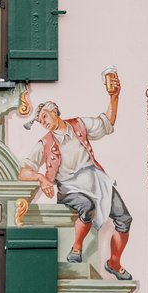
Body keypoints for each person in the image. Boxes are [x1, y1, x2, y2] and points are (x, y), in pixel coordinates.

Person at [18, 73, 132, 279]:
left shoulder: (79, 125)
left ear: (54, 112)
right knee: (87, 207)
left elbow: (107, 123)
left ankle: (114, 263)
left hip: (96, 180)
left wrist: (114, 97)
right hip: (69, 188)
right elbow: (24, 170)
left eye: (44, 116)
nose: (42, 121)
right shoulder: (44, 143)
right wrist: (41, 178)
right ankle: (77, 247)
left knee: (124, 218)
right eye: (39, 120)